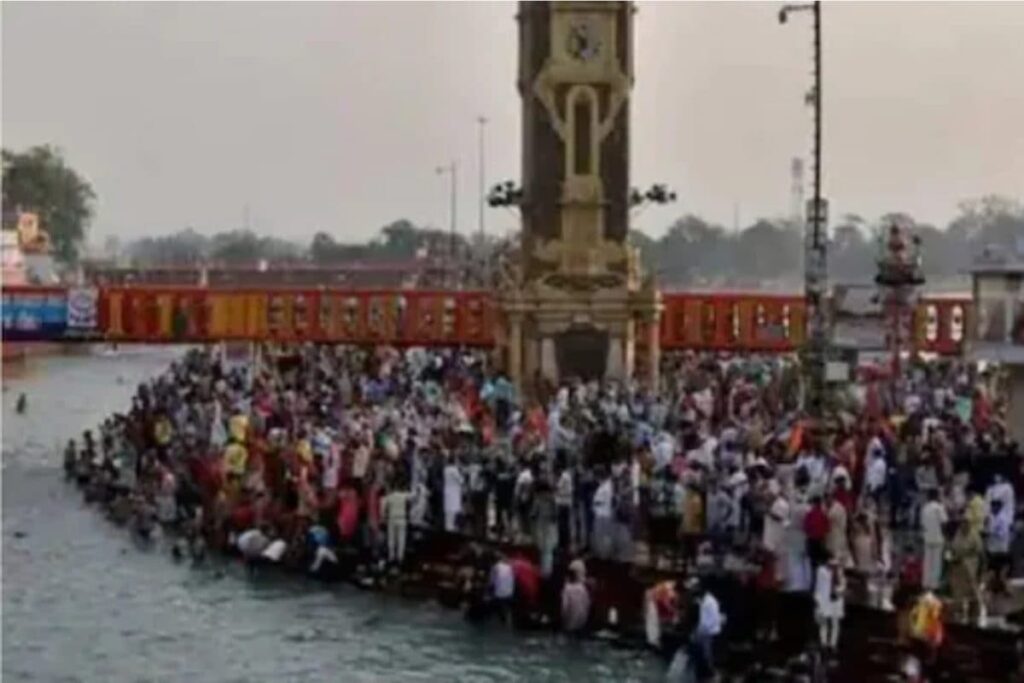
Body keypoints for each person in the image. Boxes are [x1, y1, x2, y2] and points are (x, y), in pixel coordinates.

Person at [814, 555, 845, 651]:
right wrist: (817, 600)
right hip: (824, 600)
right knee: (824, 623)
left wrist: (838, 590)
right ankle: (823, 643)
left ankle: (833, 644)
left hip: (836, 600)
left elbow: (843, 585)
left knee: (835, 623)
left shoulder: (839, 572)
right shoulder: (821, 571)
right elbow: (818, 586)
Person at [919, 488, 947, 591]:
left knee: (927, 562)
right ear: (936, 496)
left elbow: (922, 524)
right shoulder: (939, 507)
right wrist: (945, 535)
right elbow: (944, 522)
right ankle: (934, 585)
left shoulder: (924, 508)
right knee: (936, 563)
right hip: (938, 537)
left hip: (927, 537)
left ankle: (925, 583)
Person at [381, 480, 412, 565]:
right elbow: (413, 497)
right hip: (402, 518)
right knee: (401, 539)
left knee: (391, 539)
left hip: (391, 518)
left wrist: (383, 517)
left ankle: (391, 557)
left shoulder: (389, 496)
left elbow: (383, 506)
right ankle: (400, 557)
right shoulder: (403, 495)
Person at [443, 456, 464, 533]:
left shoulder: (445, 469)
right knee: (453, 511)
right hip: (454, 492)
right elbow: (461, 480)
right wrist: (461, 470)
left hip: (447, 491)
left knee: (448, 512)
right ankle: (451, 529)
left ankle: (448, 527)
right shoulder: (454, 470)